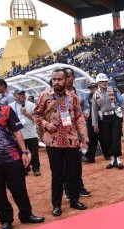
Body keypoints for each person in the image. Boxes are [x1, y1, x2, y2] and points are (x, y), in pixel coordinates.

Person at [33, 69, 89, 216]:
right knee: (57, 174)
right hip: (53, 142)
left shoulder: (73, 97)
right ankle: (56, 205)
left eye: (60, 79)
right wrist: (45, 124)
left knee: (74, 173)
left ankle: (75, 200)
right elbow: (36, 115)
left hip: (72, 141)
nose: (56, 82)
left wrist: (84, 137)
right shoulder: (44, 96)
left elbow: (79, 118)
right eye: (54, 79)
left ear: (66, 80)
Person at [0, 102, 45, 229]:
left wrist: (24, 152)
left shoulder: (5, 109)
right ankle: (5, 220)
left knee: (19, 188)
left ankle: (26, 215)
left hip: (11, 157)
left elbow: (16, 131)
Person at [62, 67, 91, 199]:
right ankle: (68, 189)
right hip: (63, 134)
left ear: (73, 77)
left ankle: (79, 187)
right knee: (65, 165)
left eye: (69, 76)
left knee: (77, 163)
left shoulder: (81, 94)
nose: (67, 79)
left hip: (78, 132)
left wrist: (86, 112)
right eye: (65, 76)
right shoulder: (56, 95)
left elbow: (86, 107)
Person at [92, 73, 124, 169]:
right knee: (107, 139)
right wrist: (95, 124)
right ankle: (112, 159)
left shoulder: (114, 91)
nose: (104, 83)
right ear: (98, 83)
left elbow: (122, 102)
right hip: (104, 119)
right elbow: (94, 110)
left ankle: (118, 159)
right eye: (102, 81)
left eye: (105, 81)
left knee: (116, 138)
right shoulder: (95, 95)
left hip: (115, 117)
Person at [10, 90, 41, 176]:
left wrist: (26, 113)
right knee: (20, 153)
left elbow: (37, 118)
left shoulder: (31, 105)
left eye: (23, 94)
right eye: (19, 94)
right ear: (14, 95)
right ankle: (25, 168)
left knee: (34, 152)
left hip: (31, 133)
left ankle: (36, 168)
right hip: (19, 135)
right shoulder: (11, 106)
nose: (22, 95)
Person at [83, 82, 100, 163]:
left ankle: (109, 154)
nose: (92, 89)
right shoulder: (88, 97)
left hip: (101, 120)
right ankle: (90, 157)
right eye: (90, 88)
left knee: (105, 138)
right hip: (90, 121)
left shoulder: (101, 95)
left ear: (97, 88)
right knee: (91, 139)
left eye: (93, 88)